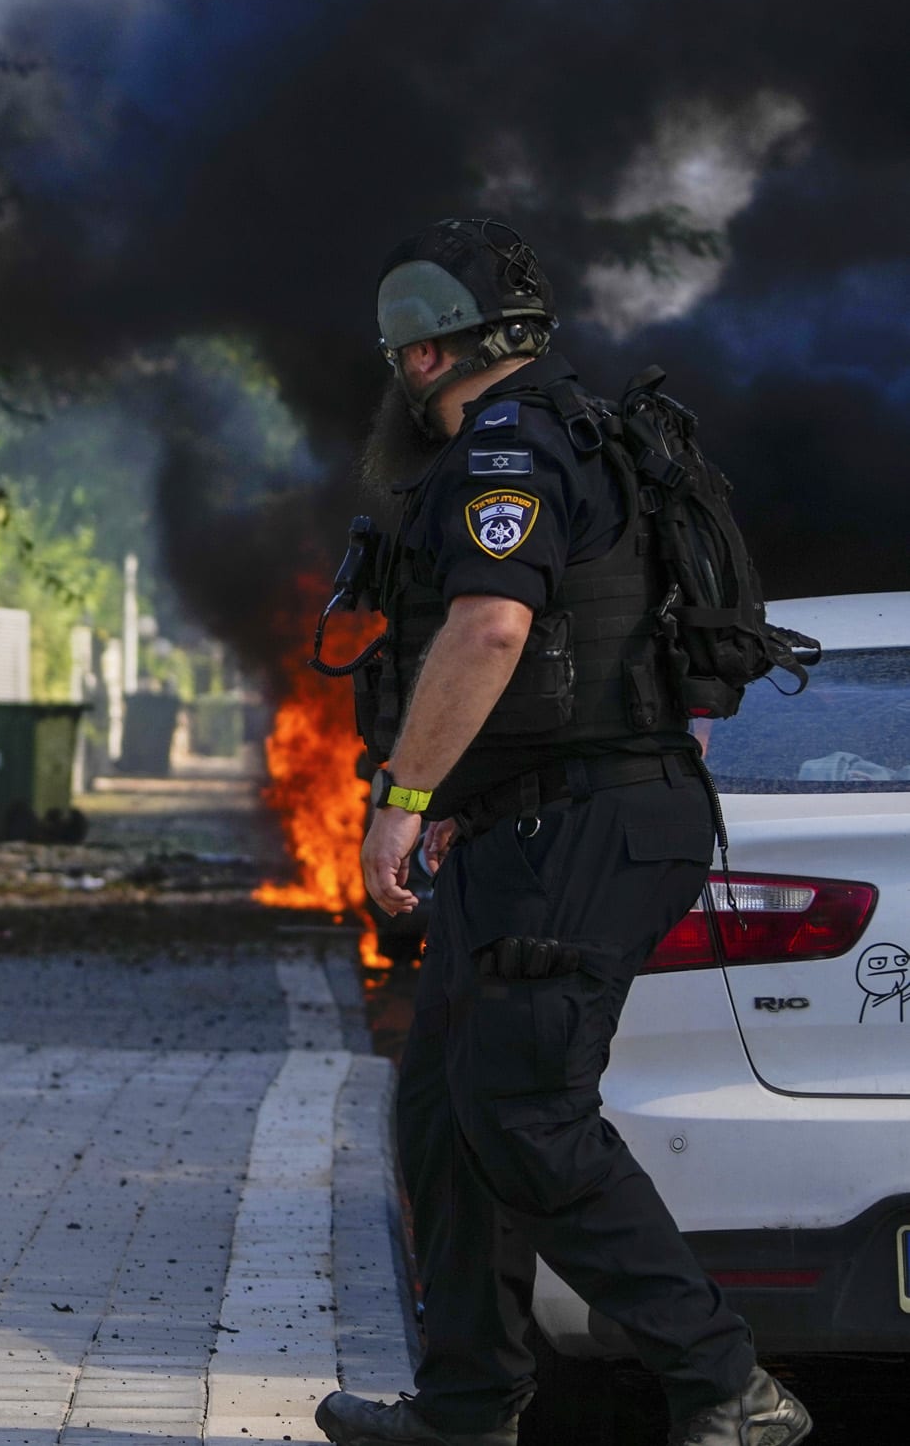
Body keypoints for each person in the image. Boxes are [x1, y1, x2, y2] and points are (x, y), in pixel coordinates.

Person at [314, 220, 811, 1446]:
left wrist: (402, 797)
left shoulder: (507, 442)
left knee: (528, 1114)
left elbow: (487, 628)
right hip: (532, 822)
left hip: (579, 822)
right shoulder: (569, 427)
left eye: (401, 352)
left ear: (422, 355)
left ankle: (725, 1384)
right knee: (446, 1110)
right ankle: (466, 1405)